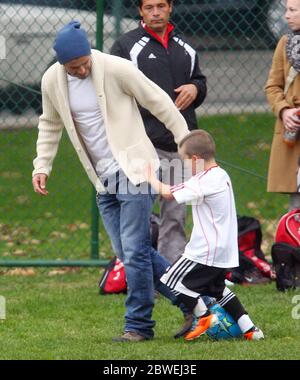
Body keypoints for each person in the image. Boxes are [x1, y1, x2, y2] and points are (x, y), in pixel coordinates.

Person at [32, 21, 193, 342]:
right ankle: (193, 300)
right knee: (132, 253)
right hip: (102, 180)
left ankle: (138, 326)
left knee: (135, 253)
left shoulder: (115, 68)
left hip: (135, 169)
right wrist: (42, 165)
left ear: (89, 54)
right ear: (61, 64)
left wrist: (186, 143)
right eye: (73, 67)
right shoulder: (52, 80)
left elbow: (158, 100)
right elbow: (49, 123)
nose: (80, 70)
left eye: (83, 64)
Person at [111, 0, 207, 264]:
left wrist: (195, 89)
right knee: (137, 211)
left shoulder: (185, 46)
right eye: (149, 7)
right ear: (140, 11)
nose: (155, 12)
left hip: (179, 145)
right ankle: (137, 269)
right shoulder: (126, 46)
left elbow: (199, 79)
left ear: (170, 8)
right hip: (143, 145)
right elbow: (114, 90)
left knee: (175, 213)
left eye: (161, 6)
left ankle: (172, 272)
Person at [145, 130, 264, 341]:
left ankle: (204, 316)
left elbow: (168, 193)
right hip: (224, 250)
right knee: (218, 290)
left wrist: (149, 177)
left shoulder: (203, 181)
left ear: (196, 160)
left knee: (171, 280)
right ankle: (251, 330)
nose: (185, 166)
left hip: (205, 250)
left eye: (185, 161)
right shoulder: (221, 175)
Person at [265, 0, 300, 211]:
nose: (286, 15)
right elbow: (273, 87)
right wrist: (284, 110)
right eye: (286, 10)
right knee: (296, 208)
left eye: (293, 10)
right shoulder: (285, 43)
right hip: (293, 135)